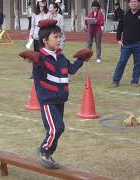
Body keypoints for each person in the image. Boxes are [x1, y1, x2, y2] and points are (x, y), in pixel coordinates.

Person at [19, 19, 91, 169]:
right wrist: (34, 60)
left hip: (60, 99)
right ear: (45, 40)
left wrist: (81, 59)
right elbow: (38, 72)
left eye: (60, 36)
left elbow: (70, 70)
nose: (59, 39)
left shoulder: (61, 57)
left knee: (59, 128)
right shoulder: (40, 58)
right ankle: (44, 151)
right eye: (56, 37)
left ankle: (47, 152)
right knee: (55, 128)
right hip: (48, 100)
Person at [112, 0, 140, 87]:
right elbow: (119, 28)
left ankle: (135, 81)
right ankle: (115, 80)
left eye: (135, 2)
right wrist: (118, 39)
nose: (133, 3)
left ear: (138, 3)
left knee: (137, 64)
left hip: (138, 44)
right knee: (121, 62)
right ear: (129, 4)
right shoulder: (124, 14)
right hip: (126, 44)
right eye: (131, 2)